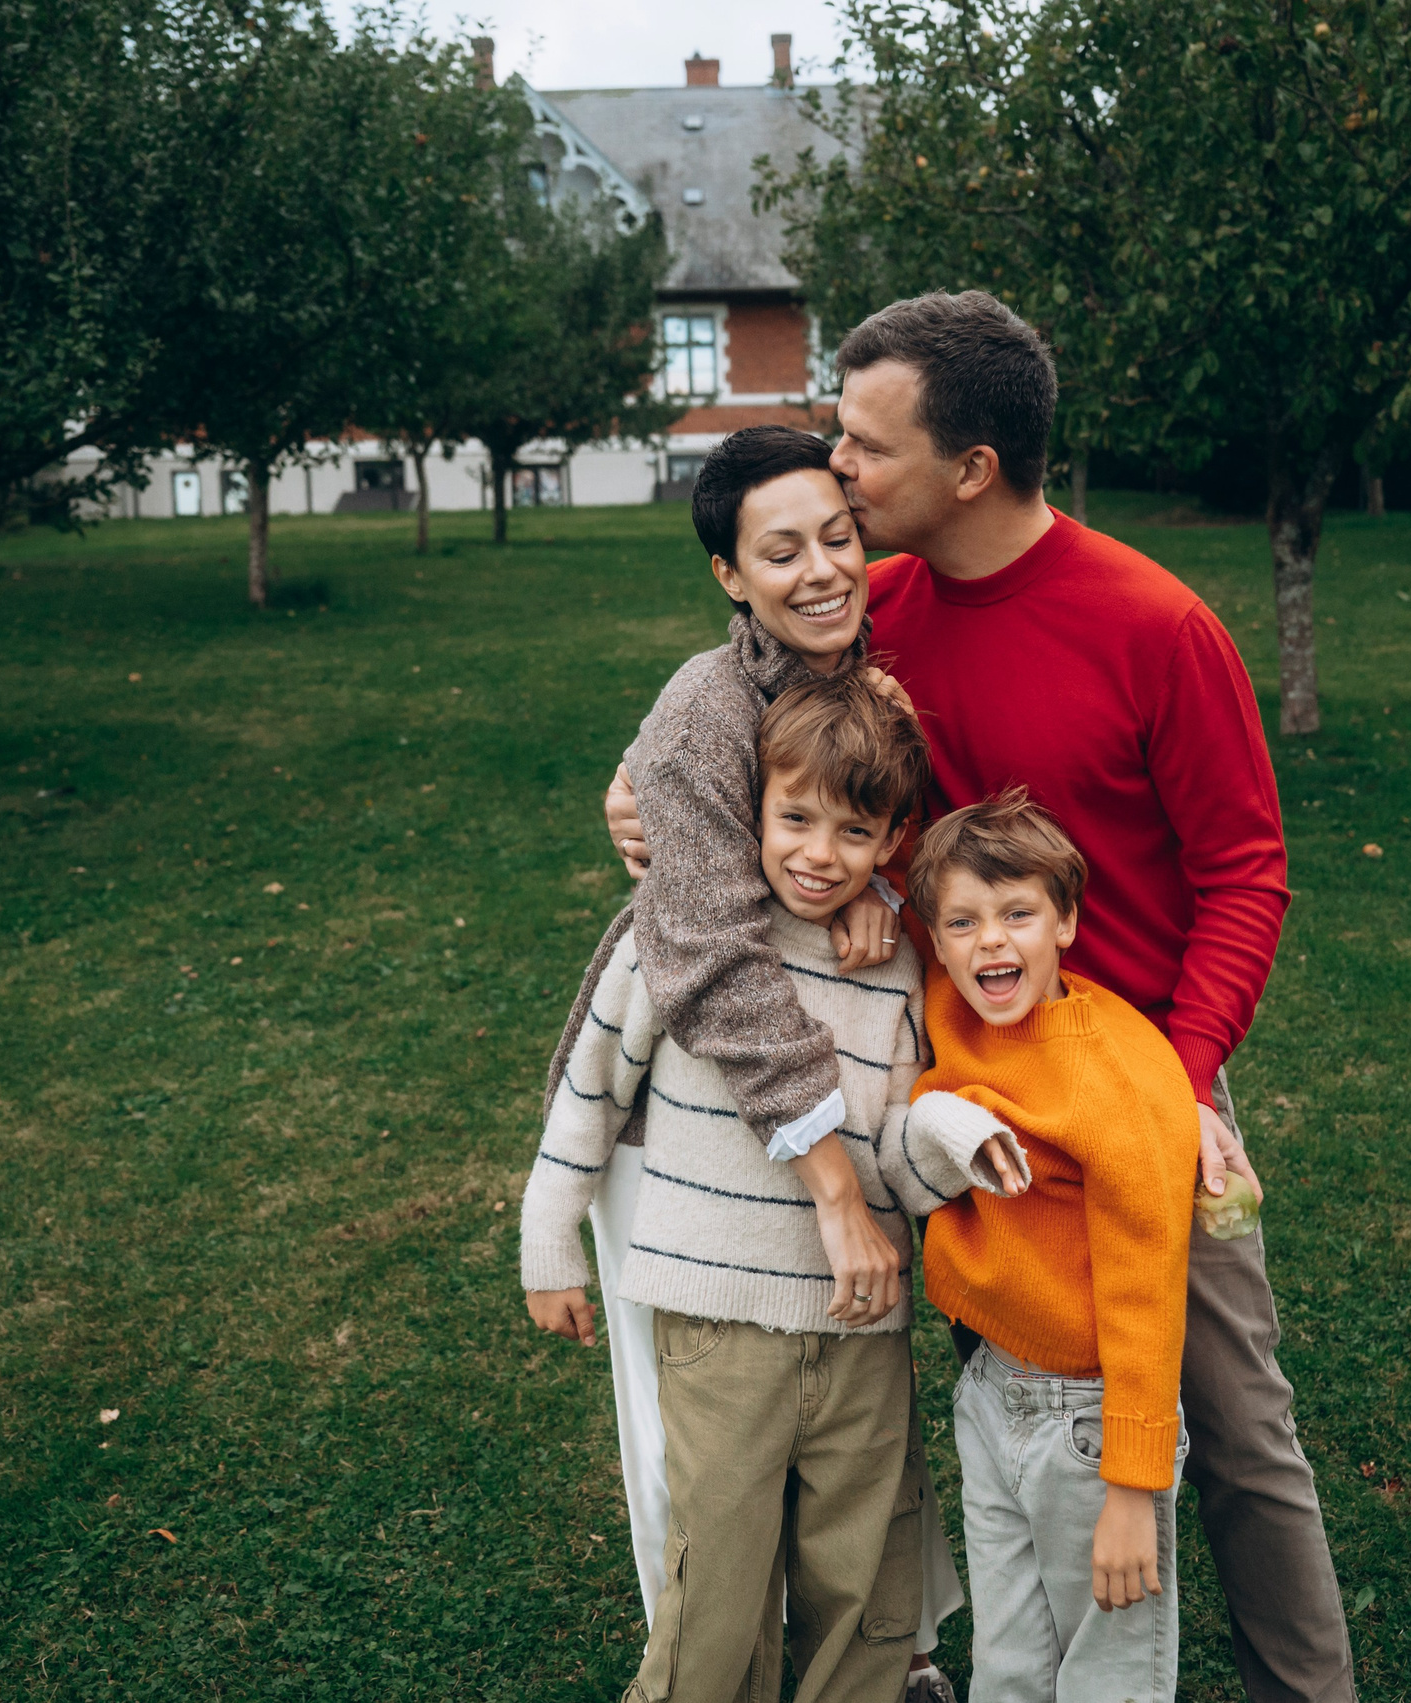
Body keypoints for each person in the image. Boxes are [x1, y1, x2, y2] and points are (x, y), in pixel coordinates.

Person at [609, 292, 1358, 1703]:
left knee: (1236, 1431)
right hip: (958, 1089)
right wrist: (638, 782)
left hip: (1143, 1084)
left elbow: (1249, 873)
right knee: (1020, 1414)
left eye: (863, 447)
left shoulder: (1158, 624)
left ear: (971, 470)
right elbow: (737, 716)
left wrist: (1188, 1078)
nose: (836, 471)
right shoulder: (873, 616)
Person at [532, 432, 1012, 1701]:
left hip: (847, 1110)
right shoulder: (702, 706)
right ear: (727, 576)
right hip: (706, 1147)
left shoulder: (874, 682)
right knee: (710, 1489)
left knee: (860, 1483)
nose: (818, 568)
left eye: (836, 535)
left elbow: (906, 833)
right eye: (778, 549)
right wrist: (840, 1195)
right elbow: (708, 965)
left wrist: (885, 900)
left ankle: (883, 1661)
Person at [899, 791, 1197, 1701]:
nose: (992, 941)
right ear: (936, 940)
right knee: (1010, 1666)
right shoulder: (950, 1004)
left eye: (1018, 913)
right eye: (964, 921)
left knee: (1109, 1671)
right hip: (990, 1390)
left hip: (1089, 1416)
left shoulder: (1121, 1077)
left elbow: (1149, 1285)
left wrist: (1132, 1488)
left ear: (1066, 921)